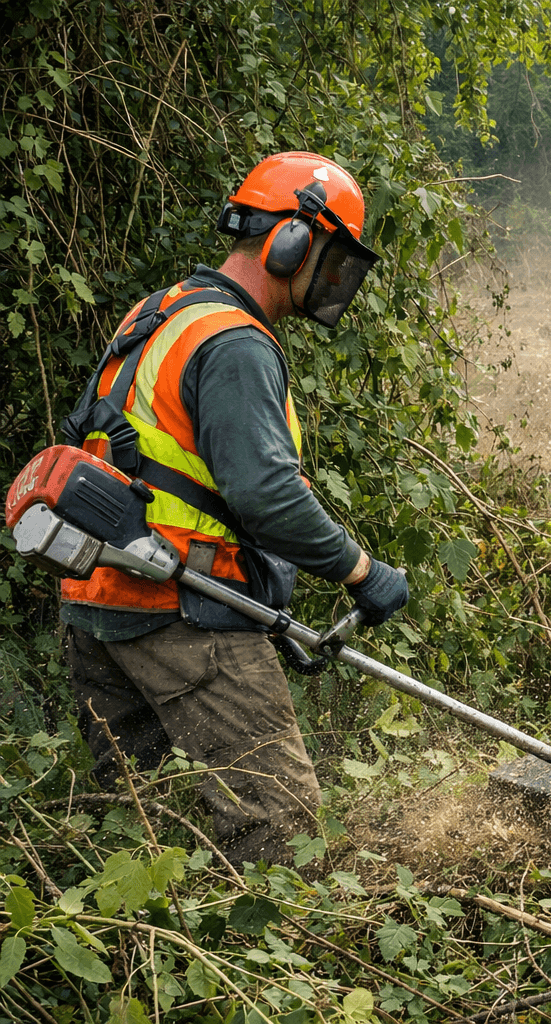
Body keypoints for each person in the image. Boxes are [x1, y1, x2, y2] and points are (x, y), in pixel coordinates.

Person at [58, 152, 411, 864]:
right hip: (182, 609)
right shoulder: (235, 343)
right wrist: (362, 573)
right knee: (283, 833)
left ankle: (152, 930)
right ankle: (283, 933)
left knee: (146, 829)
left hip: (97, 602)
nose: (335, 279)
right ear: (292, 241)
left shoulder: (163, 312)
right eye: (332, 258)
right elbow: (267, 496)